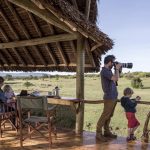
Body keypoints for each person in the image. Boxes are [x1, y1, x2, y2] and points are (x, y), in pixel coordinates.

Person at [96, 55, 121, 142]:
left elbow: (116, 79)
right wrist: (117, 69)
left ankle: (107, 132)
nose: (114, 64)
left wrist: (117, 70)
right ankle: (98, 133)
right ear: (110, 62)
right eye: (113, 62)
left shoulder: (109, 71)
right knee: (105, 115)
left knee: (109, 115)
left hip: (113, 96)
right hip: (109, 97)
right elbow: (116, 78)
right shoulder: (105, 71)